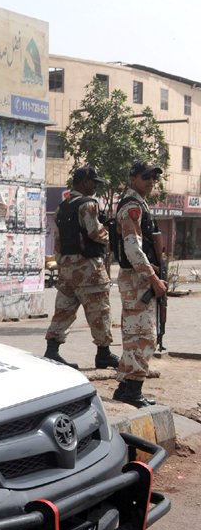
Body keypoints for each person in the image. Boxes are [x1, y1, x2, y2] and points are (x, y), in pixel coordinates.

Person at [41, 166, 120, 370]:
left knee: (63, 311)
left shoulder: (62, 207)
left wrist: (63, 264)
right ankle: (103, 354)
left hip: (67, 268)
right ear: (84, 181)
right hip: (88, 269)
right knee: (99, 311)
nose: (95, 186)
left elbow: (57, 242)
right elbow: (94, 233)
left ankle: (52, 350)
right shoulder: (89, 204)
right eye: (93, 182)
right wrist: (110, 234)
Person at [112, 161, 168, 408]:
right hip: (138, 280)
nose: (151, 181)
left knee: (135, 337)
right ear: (133, 177)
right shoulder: (132, 207)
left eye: (154, 178)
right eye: (146, 177)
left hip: (137, 279)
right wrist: (153, 279)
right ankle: (132, 392)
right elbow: (133, 249)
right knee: (145, 338)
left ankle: (126, 388)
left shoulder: (138, 204)